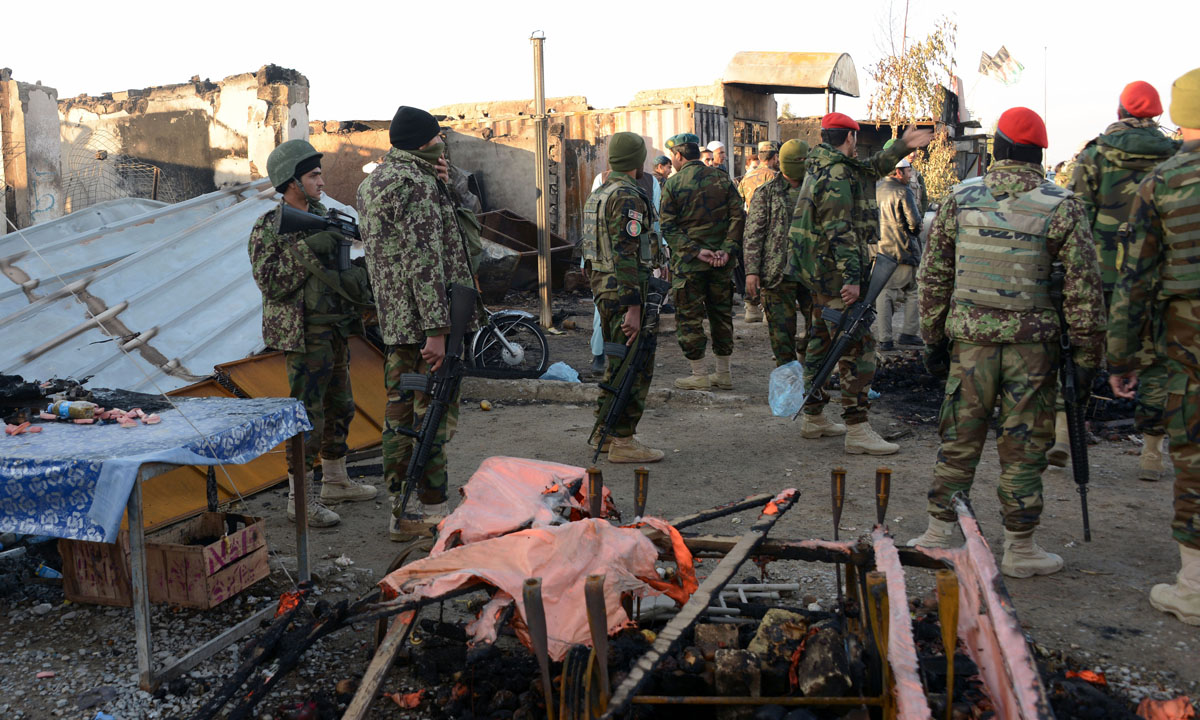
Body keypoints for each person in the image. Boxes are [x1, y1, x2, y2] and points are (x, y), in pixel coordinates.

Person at [908, 107, 1105, 579]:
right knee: (1025, 446)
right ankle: (1020, 547)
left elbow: (933, 277)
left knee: (959, 438)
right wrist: (1086, 356)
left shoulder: (959, 199)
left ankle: (938, 535)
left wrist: (933, 339)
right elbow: (1084, 290)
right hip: (1032, 350)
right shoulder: (1062, 205)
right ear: (1040, 153)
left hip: (970, 345)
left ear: (997, 149)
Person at [357, 106, 476, 540]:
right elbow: (425, 263)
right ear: (426, 142)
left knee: (400, 415)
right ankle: (431, 512)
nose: (442, 142)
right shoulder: (418, 186)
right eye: (438, 137)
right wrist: (438, 332)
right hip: (428, 328)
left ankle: (399, 509)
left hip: (396, 323)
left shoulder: (373, 184)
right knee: (432, 418)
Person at [1108, 67, 1200, 625]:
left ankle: (1193, 585)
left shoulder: (1161, 184)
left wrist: (1122, 358)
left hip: (1187, 337)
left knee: (1191, 452)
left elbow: (1134, 280)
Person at [248, 140, 378, 528]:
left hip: (335, 330)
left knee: (341, 408)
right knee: (307, 417)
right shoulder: (270, 227)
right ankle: (299, 500)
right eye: (313, 175)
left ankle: (336, 481)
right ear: (292, 182)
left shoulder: (326, 215)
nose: (322, 180)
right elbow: (270, 283)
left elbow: (340, 271)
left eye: (320, 173)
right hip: (304, 336)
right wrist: (308, 249)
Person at [789, 113, 932, 453]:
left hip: (821, 275)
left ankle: (814, 416)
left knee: (821, 342)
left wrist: (902, 145)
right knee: (858, 349)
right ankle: (857, 429)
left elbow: (870, 169)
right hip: (838, 277)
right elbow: (840, 231)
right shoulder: (837, 173)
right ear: (851, 138)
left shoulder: (825, 163)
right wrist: (853, 281)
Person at [1062, 80, 1180, 480]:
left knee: (1083, 348)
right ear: (1157, 115)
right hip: (1154, 274)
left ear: (1119, 111)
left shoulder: (1095, 155)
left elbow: (1076, 217)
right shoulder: (1173, 157)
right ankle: (1151, 452)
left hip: (1100, 273)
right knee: (1155, 358)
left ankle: (1064, 434)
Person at [581, 132, 665, 463]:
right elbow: (626, 253)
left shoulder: (600, 192)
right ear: (637, 160)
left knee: (617, 359)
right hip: (625, 289)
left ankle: (605, 428)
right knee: (635, 362)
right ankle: (624, 439)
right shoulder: (628, 196)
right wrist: (634, 307)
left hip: (604, 287)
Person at [660, 132, 745, 390]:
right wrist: (727, 250)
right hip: (721, 264)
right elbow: (738, 217)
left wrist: (695, 251)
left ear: (678, 155)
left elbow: (668, 227)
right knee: (721, 316)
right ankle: (724, 373)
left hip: (689, 266)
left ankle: (699, 374)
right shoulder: (722, 179)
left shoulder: (673, 185)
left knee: (689, 317)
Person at [745, 139, 813, 367]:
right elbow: (754, 234)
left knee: (821, 329)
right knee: (781, 336)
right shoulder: (766, 192)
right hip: (777, 274)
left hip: (813, 272)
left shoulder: (818, 190)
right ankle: (788, 381)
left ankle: (806, 364)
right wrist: (752, 272)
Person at [874, 157, 924, 351]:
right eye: (908, 171)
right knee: (913, 290)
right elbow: (914, 222)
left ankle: (884, 338)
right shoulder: (904, 191)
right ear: (898, 172)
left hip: (879, 251)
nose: (910, 175)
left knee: (884, 292)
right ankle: (908, 333)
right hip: (902, 250)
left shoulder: (875, 189)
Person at [738, 140, 782, 323]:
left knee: (751, 267)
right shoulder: (776, 177)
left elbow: (740, 202)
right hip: (772, 229)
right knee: (769, 268)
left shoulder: (746, 177)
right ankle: (767, 309)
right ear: (775, 157)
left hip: (750, 226)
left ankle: (751, 306)